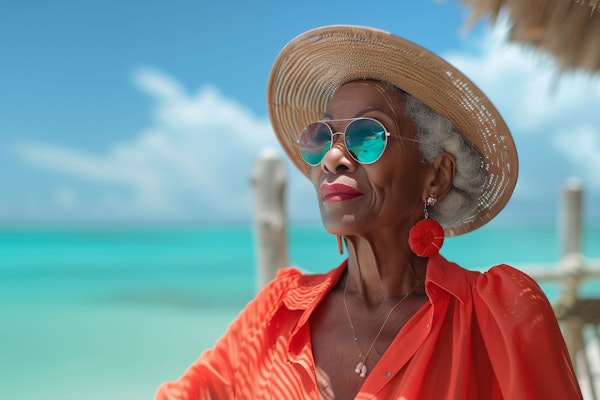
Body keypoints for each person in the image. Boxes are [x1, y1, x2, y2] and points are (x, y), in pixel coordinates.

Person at [156, 25, 582, 399]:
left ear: (435, 176)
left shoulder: (499, 315)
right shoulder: (275, 312)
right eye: (321, 137)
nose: (334, 158)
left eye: (367, 135)